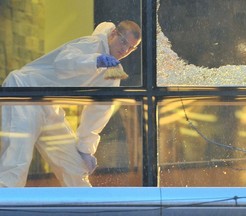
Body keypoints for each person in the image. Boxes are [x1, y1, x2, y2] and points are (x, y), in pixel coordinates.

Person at [0, 20, 142, 187]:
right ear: (112, 35)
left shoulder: (113, 72)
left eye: (131, 48)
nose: (125, 50)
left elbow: (98, 112)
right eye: (123, 42)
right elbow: (63, 62)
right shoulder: (91, 44)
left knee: (75, 168)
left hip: (49, 105)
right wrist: (95, 60)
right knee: (16, 162)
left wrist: (85, 150)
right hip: (23, 91)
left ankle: (90, 211)